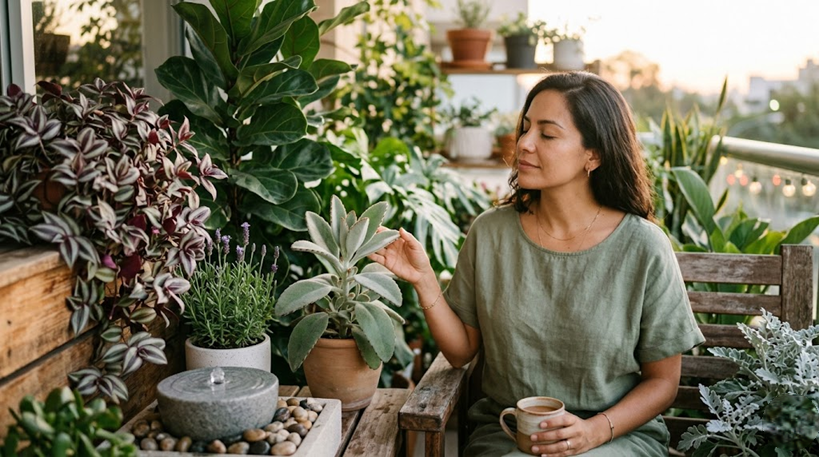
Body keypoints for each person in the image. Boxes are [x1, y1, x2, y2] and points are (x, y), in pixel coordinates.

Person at [369, 71, 705, 456]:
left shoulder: (644, 246)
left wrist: (593, 432)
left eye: (547, 134)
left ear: (592, 155)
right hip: (509, 435)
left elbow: (663, 382)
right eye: (525, 128)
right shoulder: (491, 233)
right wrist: (424, 279)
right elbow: (461, 353)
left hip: (615, 437)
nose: (524, 143)